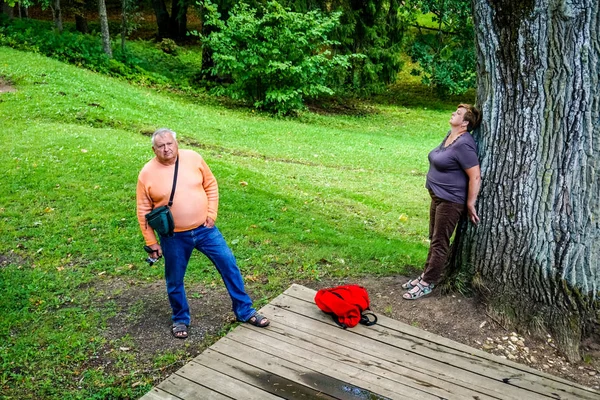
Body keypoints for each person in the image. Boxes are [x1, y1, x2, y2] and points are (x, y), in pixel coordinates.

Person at [136, 128, 270, 338]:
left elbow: (211, 184)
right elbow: (143, 210)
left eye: (170, 143)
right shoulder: (146, 173)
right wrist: (151, 241)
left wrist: (212, 213)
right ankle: (180, 319)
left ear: (176, 143)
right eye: (161, 146)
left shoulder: (193, 158)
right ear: (154, 149)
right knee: (175, 279)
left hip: (205, 229)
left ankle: (245, 311)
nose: (166, 149)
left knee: (229, 265)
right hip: (173, 237)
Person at [402, 104, 481, 300]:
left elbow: (475, 176)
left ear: (465, 123)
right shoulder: (450, 135)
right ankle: (425, 275)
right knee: (434, 237)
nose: (454, 113)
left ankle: (428, 283)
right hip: (437, 195)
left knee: (439, 242)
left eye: (459, 113)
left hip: (450, 200)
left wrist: (470, 203)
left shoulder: (464, 143)